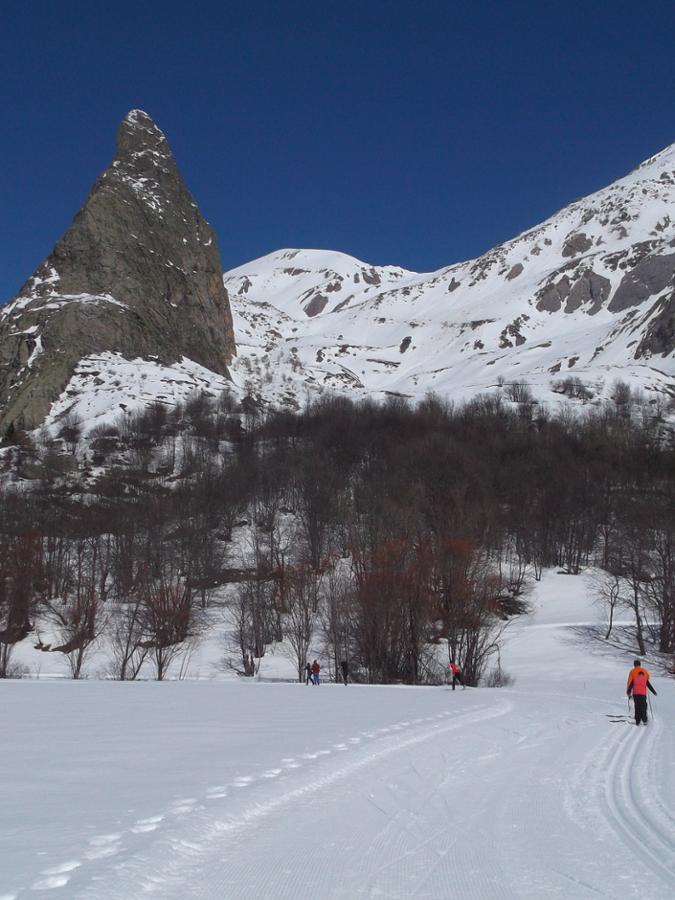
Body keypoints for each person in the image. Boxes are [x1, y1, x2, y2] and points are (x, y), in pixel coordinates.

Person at [626, 659, 657, 725]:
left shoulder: (632, 671)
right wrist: (654, 692)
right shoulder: (645, 671)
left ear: (634, 665)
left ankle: (637, 720)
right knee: (643, 706)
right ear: (640, 664)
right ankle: (644, 719)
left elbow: (629, 682)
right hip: (643, 693)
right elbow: (648, 678)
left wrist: (628, 692)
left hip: (635, 693)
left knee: (637, 706)